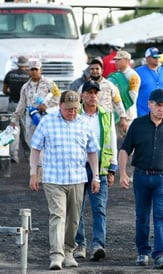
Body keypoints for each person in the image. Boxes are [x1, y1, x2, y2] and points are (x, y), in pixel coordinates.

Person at [29, 90, 100, 270]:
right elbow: (35, 148)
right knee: (58, 215)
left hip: (77, 178)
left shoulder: (84, 124)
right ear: (60, 106)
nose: (72, 112)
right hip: (53, 178)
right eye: (69, 109)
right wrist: (33, 173)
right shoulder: (47, 122)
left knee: (74, 218)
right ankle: (56, 255)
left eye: (75, 109)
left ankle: (68, 251)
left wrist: (96, 176)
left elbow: (92, 151)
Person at [118, 89, 163, 269]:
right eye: (159, 105)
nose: (162, 109)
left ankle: (160, 254)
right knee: (142, 217)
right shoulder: (138, 125)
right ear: (150, 104)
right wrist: (123, 173)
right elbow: (124, 150)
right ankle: (142, 252)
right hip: (141, 177)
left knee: (162, 216)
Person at [73, 81, 118, 261]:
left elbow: (112, 141)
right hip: (77, 167)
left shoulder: (106, 114)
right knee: (77, 207)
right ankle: (79, 244)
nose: (93, 96)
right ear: (82, 95)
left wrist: (112, 168)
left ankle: (98, 244)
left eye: (95, 93)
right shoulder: (75, 114)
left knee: (99, 208)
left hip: (100, 167)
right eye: (89, 92)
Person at [10, 59, 61, 170]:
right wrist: (14, 119)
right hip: (31, 119)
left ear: (40, 70)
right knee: (33, 145)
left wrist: (46, 105)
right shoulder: (26, 87)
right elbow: (21, 104)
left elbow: (58, 96)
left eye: (36, 69)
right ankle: (36, 172)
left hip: (46, 117)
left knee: (48, 143)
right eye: (31, 69)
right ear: (28, 71)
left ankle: (48, 168)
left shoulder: (49, 83)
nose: (34, 72)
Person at [80, 58, 128, 134]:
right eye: (92, 69)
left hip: (107, 119)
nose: (94, 71)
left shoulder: (110, 85)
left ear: (102, 71)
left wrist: (123, 118)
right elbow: (78, 102)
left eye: (97, 69)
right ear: (89, 71)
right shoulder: (84, 87)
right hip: (89, 120)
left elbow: (118, 102)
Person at [3, 56, 30, 163]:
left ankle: (14, 155)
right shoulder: (29, 75)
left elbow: (4, 90)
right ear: (27, 64)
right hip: (24, 105)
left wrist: (11, 94)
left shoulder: (10, 74)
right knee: (25, 131)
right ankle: (28, 155)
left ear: (17, 64)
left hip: (13, 104)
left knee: (13, 130)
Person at [136, 47, 163, 117]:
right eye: (154, 56)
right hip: (143, 114)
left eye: (158, 56)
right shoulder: (138, 72)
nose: (157, 58)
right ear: (147, 58)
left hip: (162, 114)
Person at [113, 50, 140, 129]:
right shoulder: (116, 74)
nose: (116, 62)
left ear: (127, 61)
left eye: (119, 60)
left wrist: (123, 115)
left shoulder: (133, 75)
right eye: (116, 60)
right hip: (116, 114)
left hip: (128, 115)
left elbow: (132, 97)